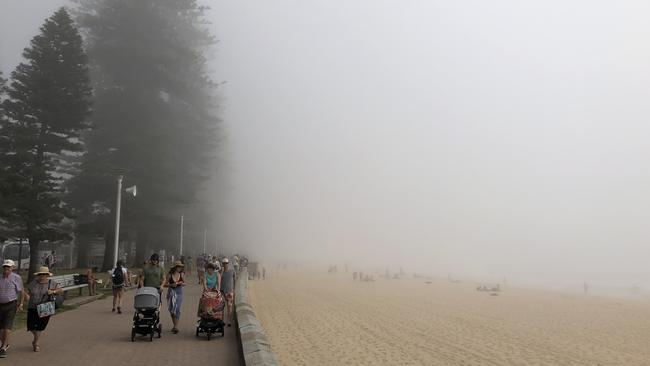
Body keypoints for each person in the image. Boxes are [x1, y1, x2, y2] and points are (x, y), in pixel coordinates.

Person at [25, 266, 61, 352]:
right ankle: (36, 338)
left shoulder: (52, 283)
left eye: (44, 274)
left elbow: (60, 290)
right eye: (40, 274)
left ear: (47, 275)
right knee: (30, 326)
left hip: (45, 307)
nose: (42, 276)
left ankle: (36, 343)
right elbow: (27, 291)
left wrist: (53, 291)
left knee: (40, 327)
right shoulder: (34, 282)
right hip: (33, 307)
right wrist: (26, 296)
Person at [0, 260, 23, 358]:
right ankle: (5, 343)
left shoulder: (16, 278)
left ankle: (4, 347)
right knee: (1, 329)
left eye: (8, 267)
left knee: (7, 328)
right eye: (5, 267)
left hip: (11, 305)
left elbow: (21, 291)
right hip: (0, 305)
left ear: (12, 268)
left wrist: (21, 304)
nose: (6, 269)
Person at [164, 261, 186, 333]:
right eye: (178, 267)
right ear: (175, 267)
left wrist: (181, 283)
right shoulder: (170, 275)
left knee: (177, 309)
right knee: (171, 310)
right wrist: (171, 285)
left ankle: (176, 326)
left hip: (179, 292)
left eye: (180, 267)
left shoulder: (181, 274)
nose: (180, 268)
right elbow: (165, 284)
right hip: (171, 293)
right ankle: (174, 325)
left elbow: (185, 283)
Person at [219, 258, 235, 327]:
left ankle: (229, 320)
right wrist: (222, 271)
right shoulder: (220, 272)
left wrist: (234, 289)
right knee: (221, 307)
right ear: (222, 264)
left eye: (226, 263)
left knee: (229, 306)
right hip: (222, 291)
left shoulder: (232, 271)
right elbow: (219, 279)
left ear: (228, 263)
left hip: (229, 291)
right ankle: (221, 320)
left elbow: (234, 279)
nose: (225, 264)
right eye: (224, 263)